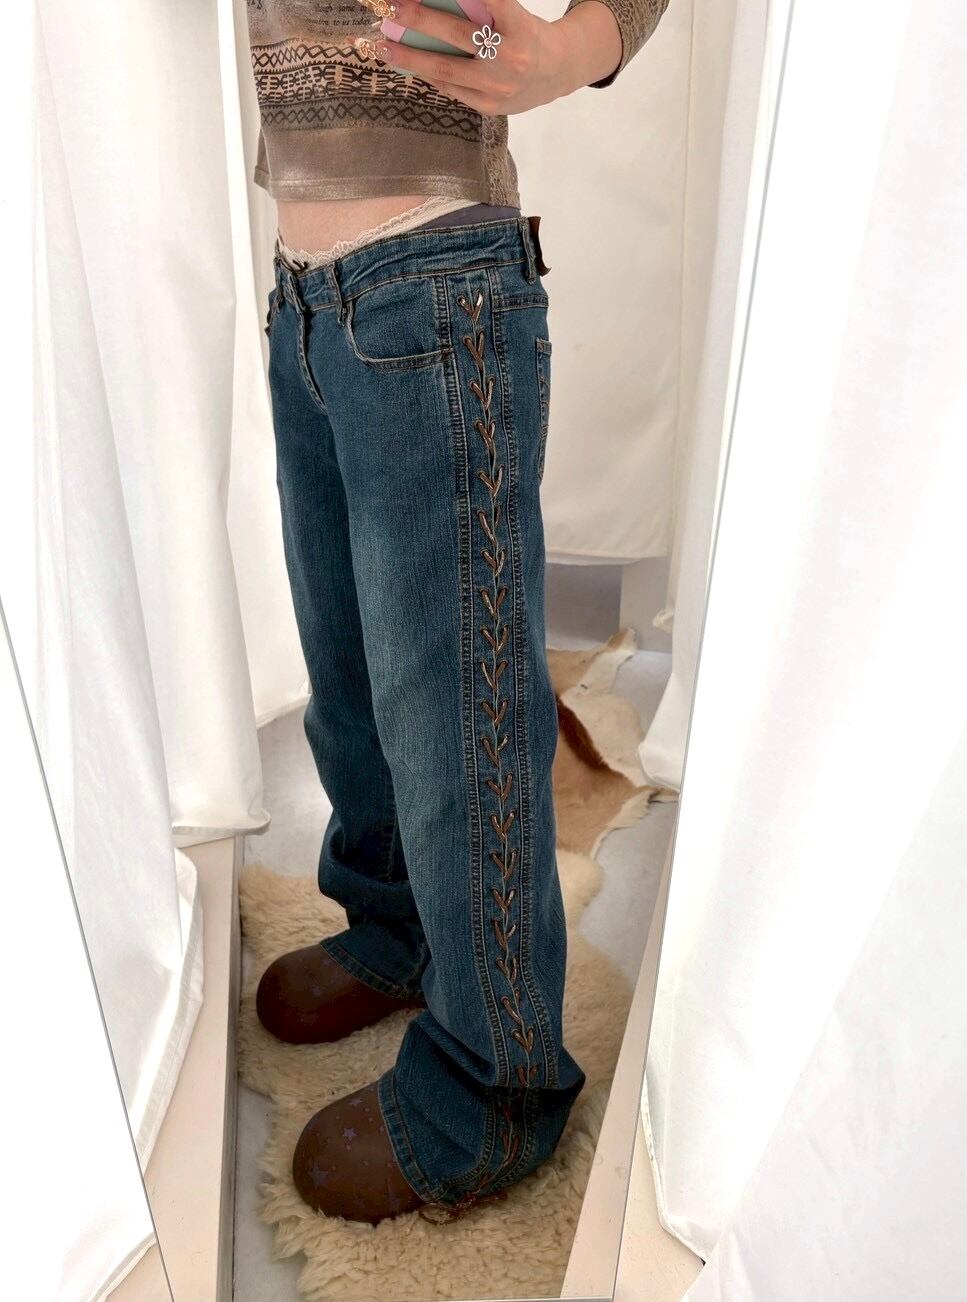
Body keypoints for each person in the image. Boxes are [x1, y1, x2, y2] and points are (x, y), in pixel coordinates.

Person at [246, 0, 670, 1223]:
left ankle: (497, 1082)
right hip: (307, 295)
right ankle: (394, 928)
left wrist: (573, 47)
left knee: (454, 717)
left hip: (433, 284)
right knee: (349, 679)